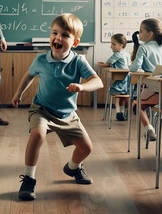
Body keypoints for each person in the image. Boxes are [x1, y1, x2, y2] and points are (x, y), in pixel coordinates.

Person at [12, 13, 104, 201]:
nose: (58, 38)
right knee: (37, 134)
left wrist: (82, 87)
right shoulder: (41, 60)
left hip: (67, 114)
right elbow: (29, 75)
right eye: (55, 33)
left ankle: (72, 168)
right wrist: (18, 93)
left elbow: (98, 81)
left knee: (86, 149)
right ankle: (29, 179)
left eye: (65, 35)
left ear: (75, 42)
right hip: (42, 109)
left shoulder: (78, 61)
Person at [128, 18, 162, 141]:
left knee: (138, 106)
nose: (139, 34)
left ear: (150, 34)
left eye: (141, 31)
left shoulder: (143, 48)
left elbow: (135, 67)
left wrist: (128, 66)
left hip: (150, 87)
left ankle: (149, 129)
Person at [97, 33, 131, 121]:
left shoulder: (117, 54)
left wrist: (99, 64)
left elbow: (107, 64)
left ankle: (118, 111)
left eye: (113, 44)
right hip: (128, 81)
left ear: (121, 45)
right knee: (123, 96)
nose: (111, 46)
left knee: (113, 92)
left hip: (121, 81)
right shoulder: (126, 54)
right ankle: (123, 113)